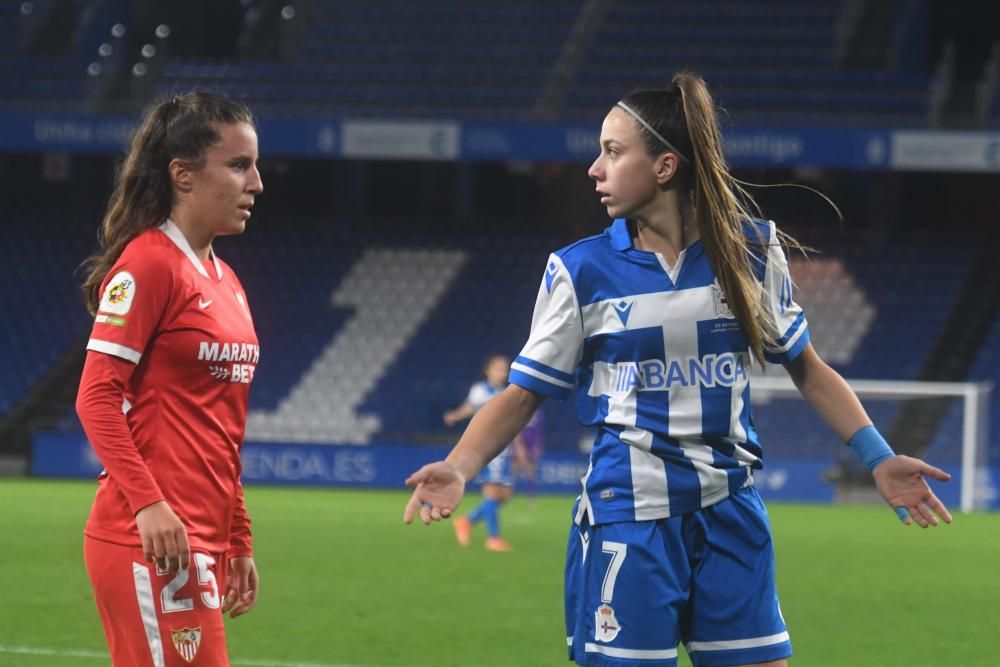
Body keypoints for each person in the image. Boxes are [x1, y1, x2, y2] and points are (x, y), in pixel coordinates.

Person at [404, 72, 952, 667]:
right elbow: (521, 396)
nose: (594, 168)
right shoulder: (579, 271)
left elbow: (808, 369)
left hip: (731, 511)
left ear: (665, 167)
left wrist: (878, 455)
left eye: (613, 152)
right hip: (628, 520)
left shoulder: (751, 252)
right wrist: (460, 466)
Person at [76, 91, 264, 667]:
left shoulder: (226, 279)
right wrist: (149, 505)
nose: (256, 183)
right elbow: (95, 397)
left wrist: (238, 538)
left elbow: (220, 426)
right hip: (150, 540)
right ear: (182, 175)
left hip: (201, 542)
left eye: (254, 165)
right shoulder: (150, 263)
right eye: (238, 165)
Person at [444, 354, 529, 551]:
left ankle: (466, 521)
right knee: (491, 492)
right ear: (488, 370)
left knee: (505, 494)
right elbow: (469, 407)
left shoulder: (504, 393)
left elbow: (511, 424)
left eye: (504, 369)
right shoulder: (481, 390)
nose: (502, 372)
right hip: (489, 448)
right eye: (498, 368)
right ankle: (493, 538)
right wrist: (455, 416)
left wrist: (520, 449)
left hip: (504, 448)